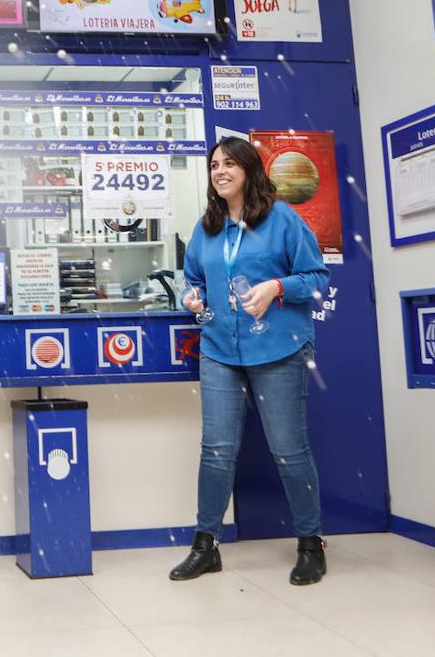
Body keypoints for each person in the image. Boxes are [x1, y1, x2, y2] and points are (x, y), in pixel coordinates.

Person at [172, 137, 330, 586]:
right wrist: (193, 294)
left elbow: (316, 276)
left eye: (228, 163)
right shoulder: (207, 225)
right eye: (213, 165)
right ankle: (206, 546)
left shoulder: (282, 219)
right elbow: (195, 275)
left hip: (278, 348)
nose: (219, 171)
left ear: (249, 169)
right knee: (217, 451)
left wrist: (277, 287)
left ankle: (310, 543)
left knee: (288, 450)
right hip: (220, 349)